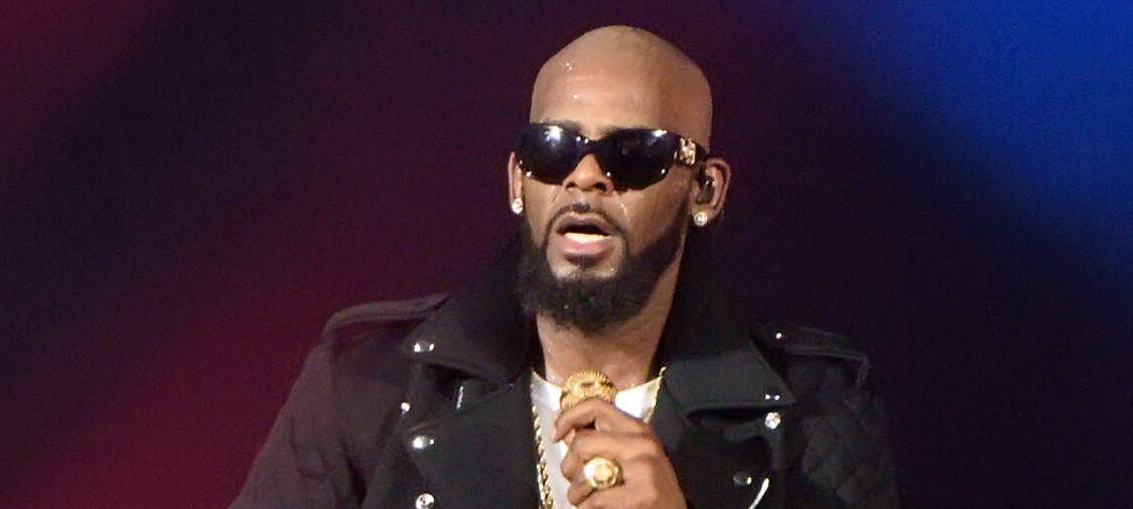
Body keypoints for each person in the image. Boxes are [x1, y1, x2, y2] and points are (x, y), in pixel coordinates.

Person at [231, 26, 898, 508]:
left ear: (705, 190)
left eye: (633, 154)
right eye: (552, 149)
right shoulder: (368, 386)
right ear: (517, 181)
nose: (585, 177)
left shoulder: (816, 411)